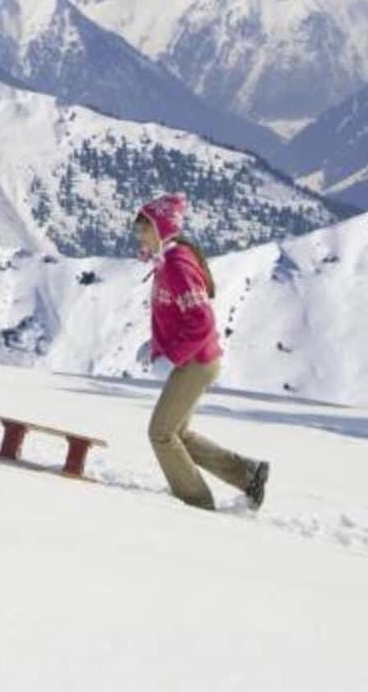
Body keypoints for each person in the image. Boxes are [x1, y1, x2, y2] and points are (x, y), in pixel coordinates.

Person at [136, 193, 270, 511]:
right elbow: (178, 315)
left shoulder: (176, 265)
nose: (139, 236)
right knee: (178, 434)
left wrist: (172, 356)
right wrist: (156, 345)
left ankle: (196, 502)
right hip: (194, 360)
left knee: (161, 434)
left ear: (161, 227)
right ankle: (248, 474)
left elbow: (201, 320)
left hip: (195, 363)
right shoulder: (167, 262)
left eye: (144, 228)